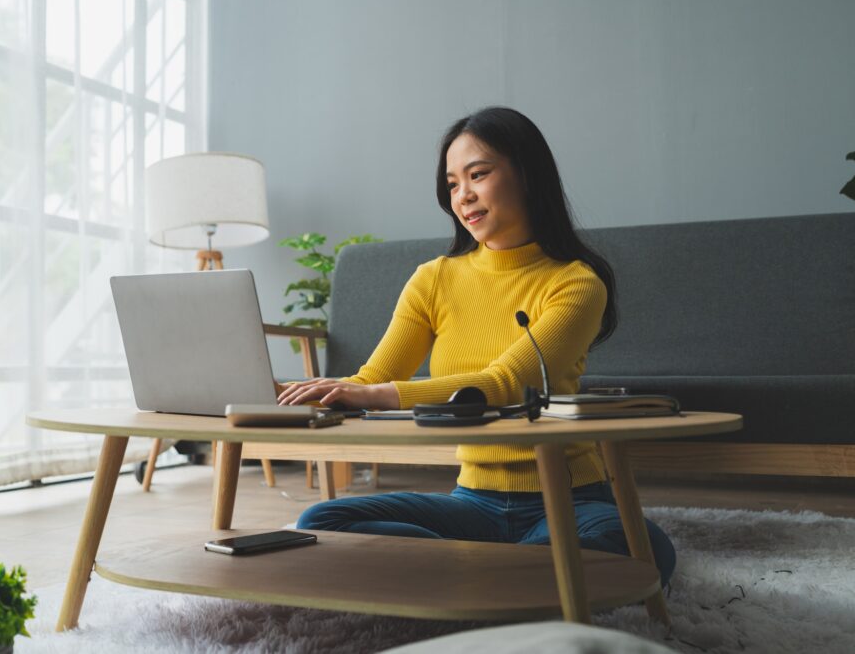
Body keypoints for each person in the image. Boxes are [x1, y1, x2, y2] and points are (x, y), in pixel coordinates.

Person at [276, 106, 675, 587]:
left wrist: (376, 396)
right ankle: (502, 571)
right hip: (473, 499)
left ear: (526, 176)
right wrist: (310, 391)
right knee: (321, 522)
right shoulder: (434, 279)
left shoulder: (576, 283)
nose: (462, 195)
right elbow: (369, 380)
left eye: (478, 175)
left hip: (570, 499)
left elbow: (505, 384)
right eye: (452, 184)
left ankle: (474, 571)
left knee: (646, 549)